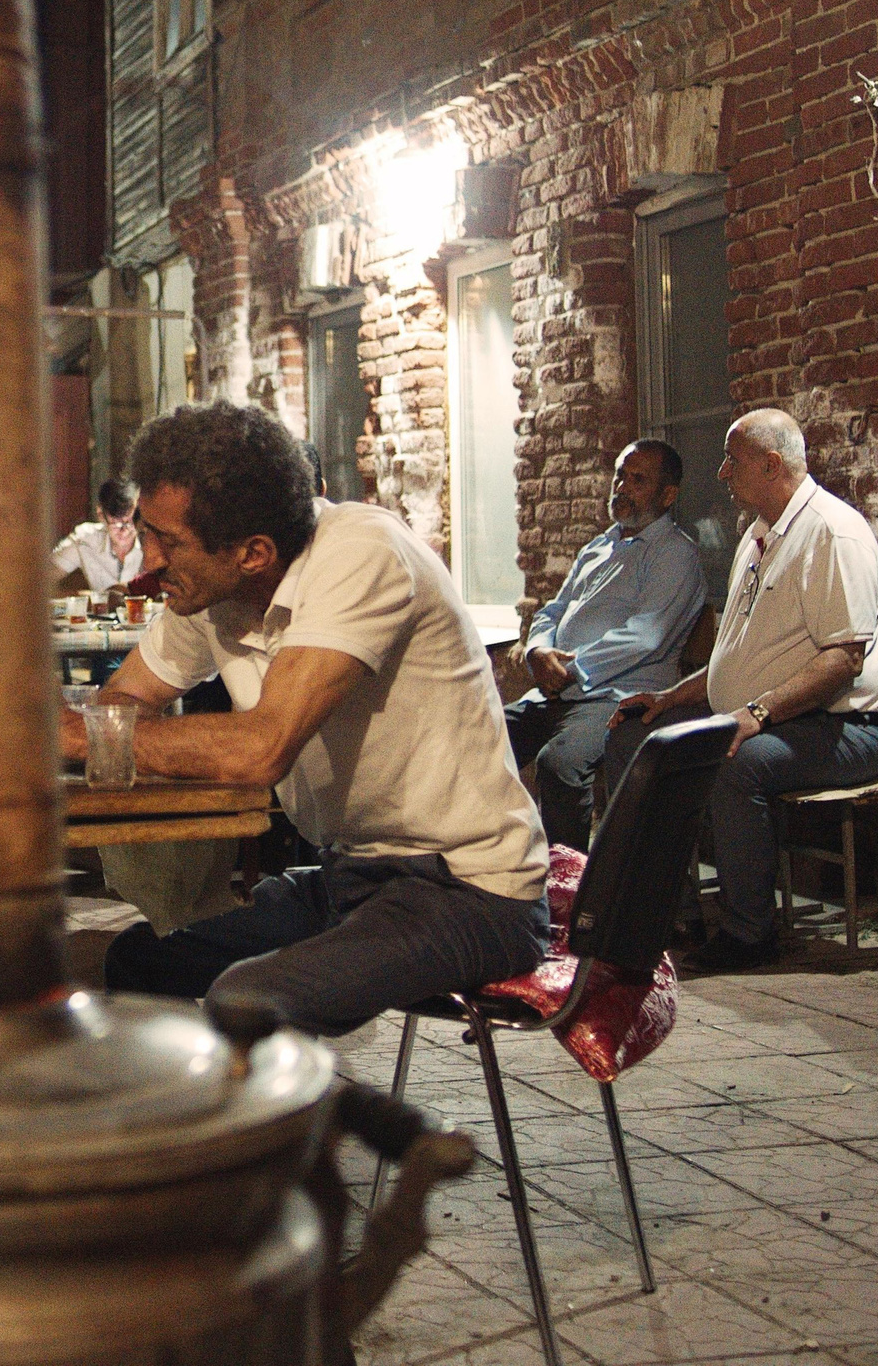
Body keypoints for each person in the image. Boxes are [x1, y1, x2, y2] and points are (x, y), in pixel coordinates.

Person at [85, 403, 550, 1034]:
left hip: (467, 891)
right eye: (146, 532)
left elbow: (260, 749)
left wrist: (74, 732)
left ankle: (301, 1132)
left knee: (247, 1000)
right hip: (351, 874)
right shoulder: (210, 591)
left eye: (169, 542)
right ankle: (182, 1130)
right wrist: (99, 729)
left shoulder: (363, 551)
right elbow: (121, 706)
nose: (147, 564)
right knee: (138, 963)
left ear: (253, 553)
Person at [608, 408, 878, 972]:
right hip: (767, 715)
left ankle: (748, 933)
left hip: (842, 727)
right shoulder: (760, 534)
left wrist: (755, 715)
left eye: (732, 460)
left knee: (737, 764)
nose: (720, 473)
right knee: (633, 741)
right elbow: (737, 656)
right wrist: (669, 700)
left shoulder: (832, 533)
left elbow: (843, 660)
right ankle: (671, 911)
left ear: (772, 464)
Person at [507, 440, 706, 848]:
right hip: (557, 690)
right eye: (619, 475)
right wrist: (538, 651)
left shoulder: (675, 554)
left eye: (637, 480)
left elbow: (646, 635)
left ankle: (572, 887)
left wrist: (570, 667)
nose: (621, 487)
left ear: (668, 495)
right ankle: (485, 870)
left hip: (615, 697)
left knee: (560, 764)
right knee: (479, 737)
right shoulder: (599, 546)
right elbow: (553, 610)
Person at [52, 479, 145, 594]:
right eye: (116, 523)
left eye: (130, 523)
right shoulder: (85, 539)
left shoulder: (151, 542)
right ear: (101, 515)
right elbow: (42, 576)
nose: (124, 531)